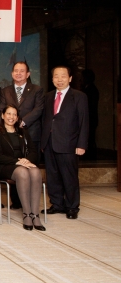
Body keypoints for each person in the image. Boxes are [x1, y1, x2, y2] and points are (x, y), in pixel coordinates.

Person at [40, 66, 88, 220]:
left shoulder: (79, 96)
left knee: (69, 176)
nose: (59, 79)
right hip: (49, 143)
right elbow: (45, 120)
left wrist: (81, 144)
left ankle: (72, 206)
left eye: (63, 76)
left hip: (69, 143)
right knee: (52, 176)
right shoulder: (48, 97)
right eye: (56, 76)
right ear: (52, 79)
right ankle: (57, 204)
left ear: (70, 78)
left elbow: (84, 122)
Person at [0, 105, 45, 231]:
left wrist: (27, 160)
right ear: (3, 116)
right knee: (23, 173)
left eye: (14, 114)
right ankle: (26, 213)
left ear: (17, 117)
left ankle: (35, 214)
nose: (11, 117)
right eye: (9, 114)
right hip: (5, 166)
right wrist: (18, 162)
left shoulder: (23, 132)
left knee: (36, 172)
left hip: (24, 163)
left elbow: (33, 151)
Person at [0, 61, 44, 150]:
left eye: (22, 71)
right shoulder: (5, 91)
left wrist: (22, 122)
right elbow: (2, 109)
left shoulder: (37, 90)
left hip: (31, 133)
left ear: (28, 74)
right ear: (12, 74)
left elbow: (38, 109)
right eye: (16, 71)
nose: (18, 73)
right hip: (10, 134)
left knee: (32, 162)